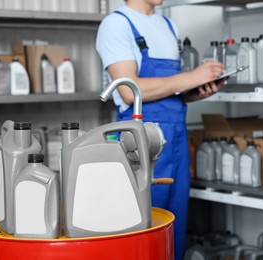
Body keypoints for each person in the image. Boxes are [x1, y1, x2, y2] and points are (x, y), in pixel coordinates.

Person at [96, 0, 226, 259]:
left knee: (174, 221)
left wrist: (196, 91)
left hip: (177, 136)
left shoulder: (168, 25)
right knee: (145, 221)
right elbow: (128, 90)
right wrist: (192, 76)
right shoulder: (116, 24)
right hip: (142, 139)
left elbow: (169, 90)